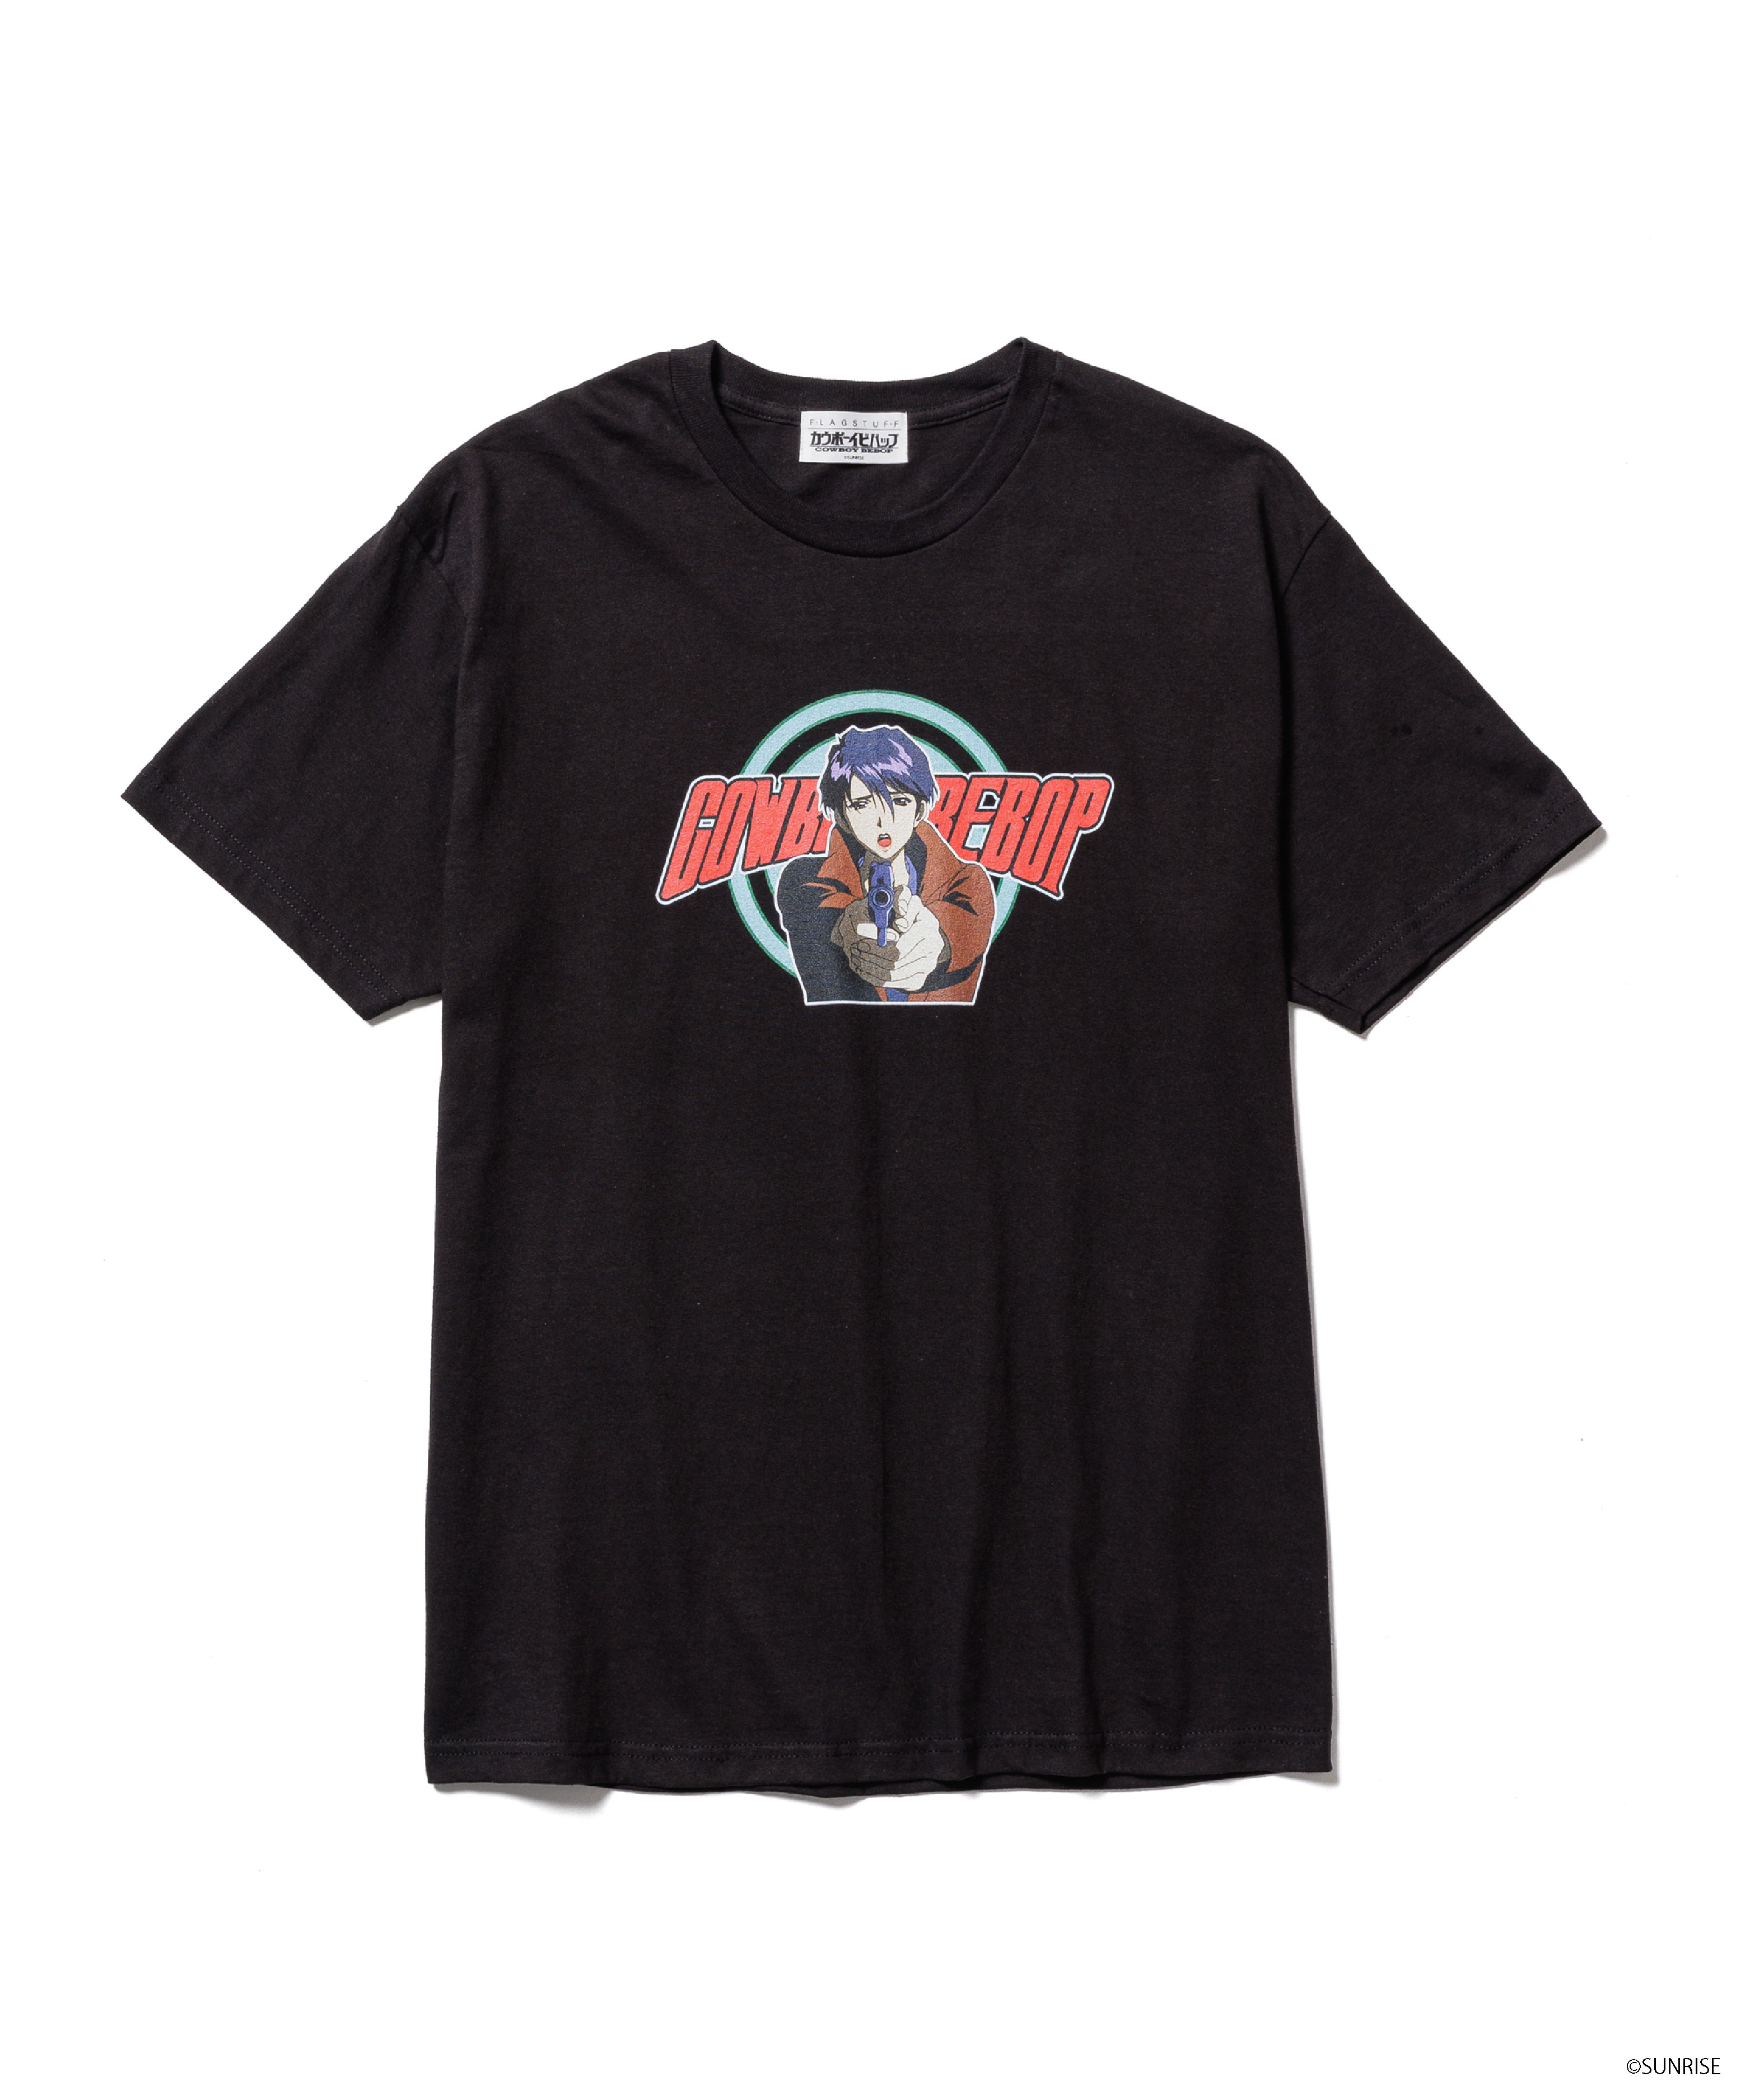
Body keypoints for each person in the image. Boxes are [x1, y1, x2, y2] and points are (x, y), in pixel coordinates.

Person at [775, 725, 996, 1005]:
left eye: (900, 801)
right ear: (842, 814)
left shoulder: (968, 882)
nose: (883, 821)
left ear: (919, 809)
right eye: (862, 804)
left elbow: (964, 928)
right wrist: (844, 925)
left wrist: (937, 943)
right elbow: (814, 908)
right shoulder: (804, 877)